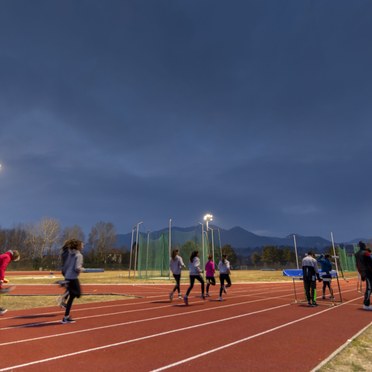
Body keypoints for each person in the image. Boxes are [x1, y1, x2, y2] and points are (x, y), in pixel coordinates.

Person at [61, 239, 84, 323]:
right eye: (82, 245)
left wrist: (64, 272)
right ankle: (67, 293)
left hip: (67, 276)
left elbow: (66, 264)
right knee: (77, 294)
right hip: (73, 277)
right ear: (78, 246)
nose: (83, 246)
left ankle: (66, 317)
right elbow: (77, 268)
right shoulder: (79, 255)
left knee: (72, 296)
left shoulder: (70, 253)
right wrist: (82, 269)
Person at [0, 250, 20, 315]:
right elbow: (2, 268)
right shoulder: (7, 257)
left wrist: (2, 279)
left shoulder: (5, 255)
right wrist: (1, 279)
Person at [355, 241, 372, 311]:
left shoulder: (356, 254)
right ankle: (366, 304)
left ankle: (366, 303)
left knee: (370, 288)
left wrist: (361, 274)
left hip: (364, 272)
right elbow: (370, 263)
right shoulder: (366, 253)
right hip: (369, 272)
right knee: (369, 288)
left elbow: (357, 265)